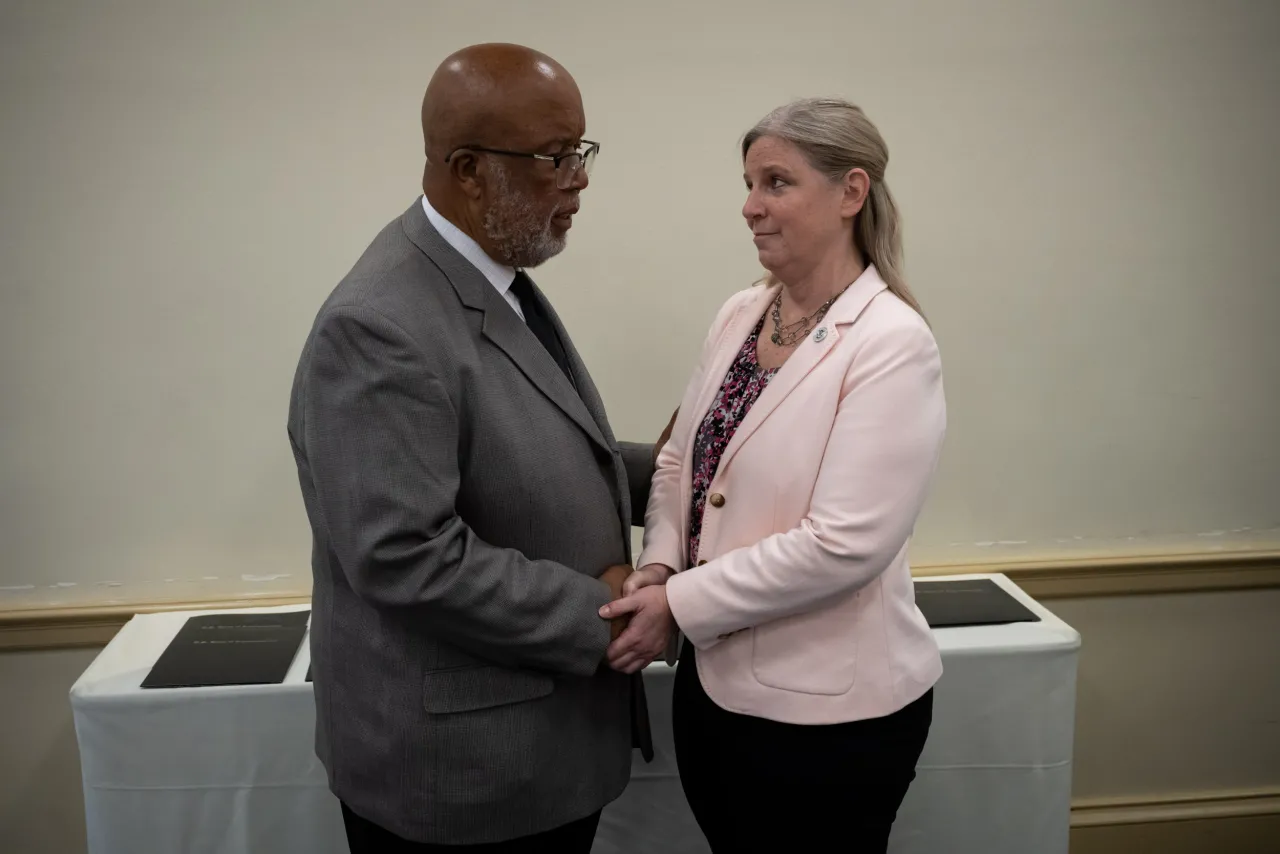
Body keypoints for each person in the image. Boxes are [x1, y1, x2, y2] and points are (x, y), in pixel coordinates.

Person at [287, 43, 674, 852]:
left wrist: (684, 468)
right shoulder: (380, 325)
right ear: (468, 169)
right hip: (464, 783)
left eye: (582, 151)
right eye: (554, 158)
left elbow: (540, 460)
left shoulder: (488, 274)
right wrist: (602, 616)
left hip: (532, 756)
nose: (579, 179)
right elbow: (406, 555)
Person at [600, 98, 947, 852]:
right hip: (716, 689)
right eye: (750, 183)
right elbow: (677, 461)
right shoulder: (741, 313)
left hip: (830, 721)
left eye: (777, 183)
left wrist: (677, 603)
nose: (751, 207)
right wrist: (658, 562)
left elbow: (845, 544)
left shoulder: (891, 341)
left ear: (851, 193)